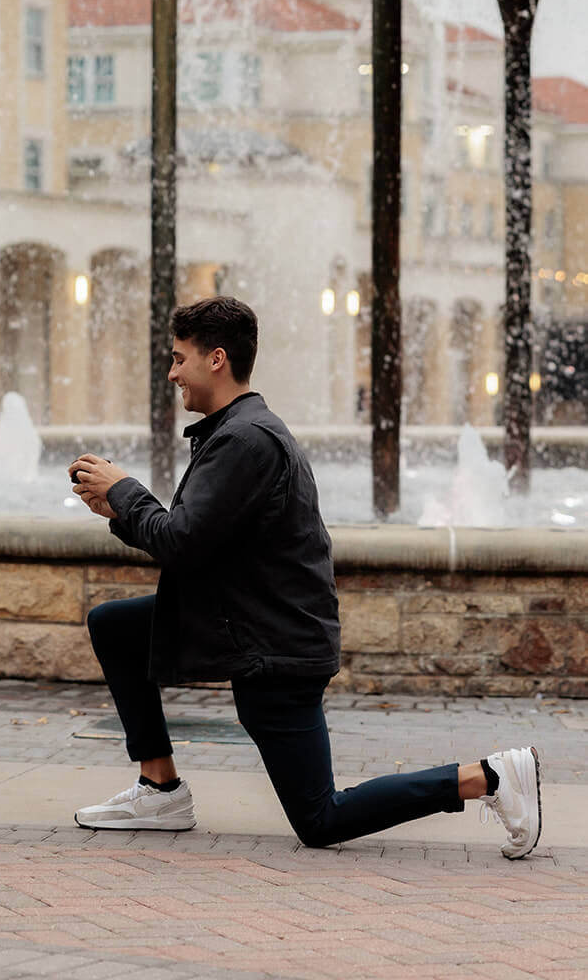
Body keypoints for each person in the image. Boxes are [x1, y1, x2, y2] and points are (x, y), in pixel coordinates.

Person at [68, 296, 541, 858]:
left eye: (178, 359)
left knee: (321, 818)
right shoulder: (237, 430)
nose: (171, 373)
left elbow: (183, 542)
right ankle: (160, 786)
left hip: (276, 646)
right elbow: (198, 541)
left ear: (216, 359)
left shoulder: (244, 440)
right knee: (116, 625)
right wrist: (121, 514)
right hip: (251, 621)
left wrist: (125, 493)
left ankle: (489, 777)